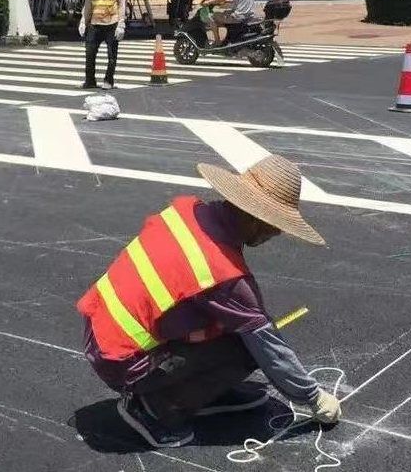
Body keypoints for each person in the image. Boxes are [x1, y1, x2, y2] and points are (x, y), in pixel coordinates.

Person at [76, 154, 342, 448]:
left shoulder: (186, 212)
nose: (277, 232)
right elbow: (269, 346)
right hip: (123, 360)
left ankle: (206, 390)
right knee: (250, 348)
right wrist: (313, 396)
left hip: (103, 332)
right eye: (274, 224)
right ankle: (154, 408)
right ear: (253, 217)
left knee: (233, 327)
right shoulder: (221, 274)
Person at [78, 0, 126, 90]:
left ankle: (108, 80)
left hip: (112, 21)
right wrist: (83, 20)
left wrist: (121, 23)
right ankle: (90, 81)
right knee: (89, 53)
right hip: (95, 22)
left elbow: (122, 3)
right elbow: (88, 3)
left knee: (112, 56)